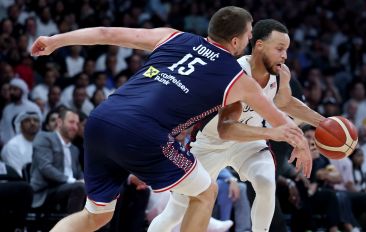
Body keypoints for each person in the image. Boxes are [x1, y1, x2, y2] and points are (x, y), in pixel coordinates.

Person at [31, 7, 311, 232]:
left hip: (101, 120)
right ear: (237, 41)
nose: (250, 40)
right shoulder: (237, 78)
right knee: (205, 193)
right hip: (143, 133)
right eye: (249, 35)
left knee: (95, 216)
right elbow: (280, 120)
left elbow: (107, 32)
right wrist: (300, 142)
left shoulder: (172, 36)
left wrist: (56, 41)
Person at [149, 19, 321, 232]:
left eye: (286, 49)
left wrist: (324, 123)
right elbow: (227, 128)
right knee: (176, 210)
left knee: (266, 183)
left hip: (249, 144)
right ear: (259, 45)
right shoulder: (234, 73)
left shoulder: (281, 73)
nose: (284, 56)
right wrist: (275, 133)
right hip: (212, 142)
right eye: (279, 49)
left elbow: (284, 102)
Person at [30, 109, 86, 214]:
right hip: (46, 191)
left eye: (77, 124)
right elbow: (45, 167)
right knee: (78, 187)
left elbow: (79, 173)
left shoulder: (74, 149)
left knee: (101, 189)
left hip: (70, 188)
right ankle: (72, 228)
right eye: (71, 122)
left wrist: (87, 182)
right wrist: (72, 180)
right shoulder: (44, 138)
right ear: (59, 122)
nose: (75, 127)